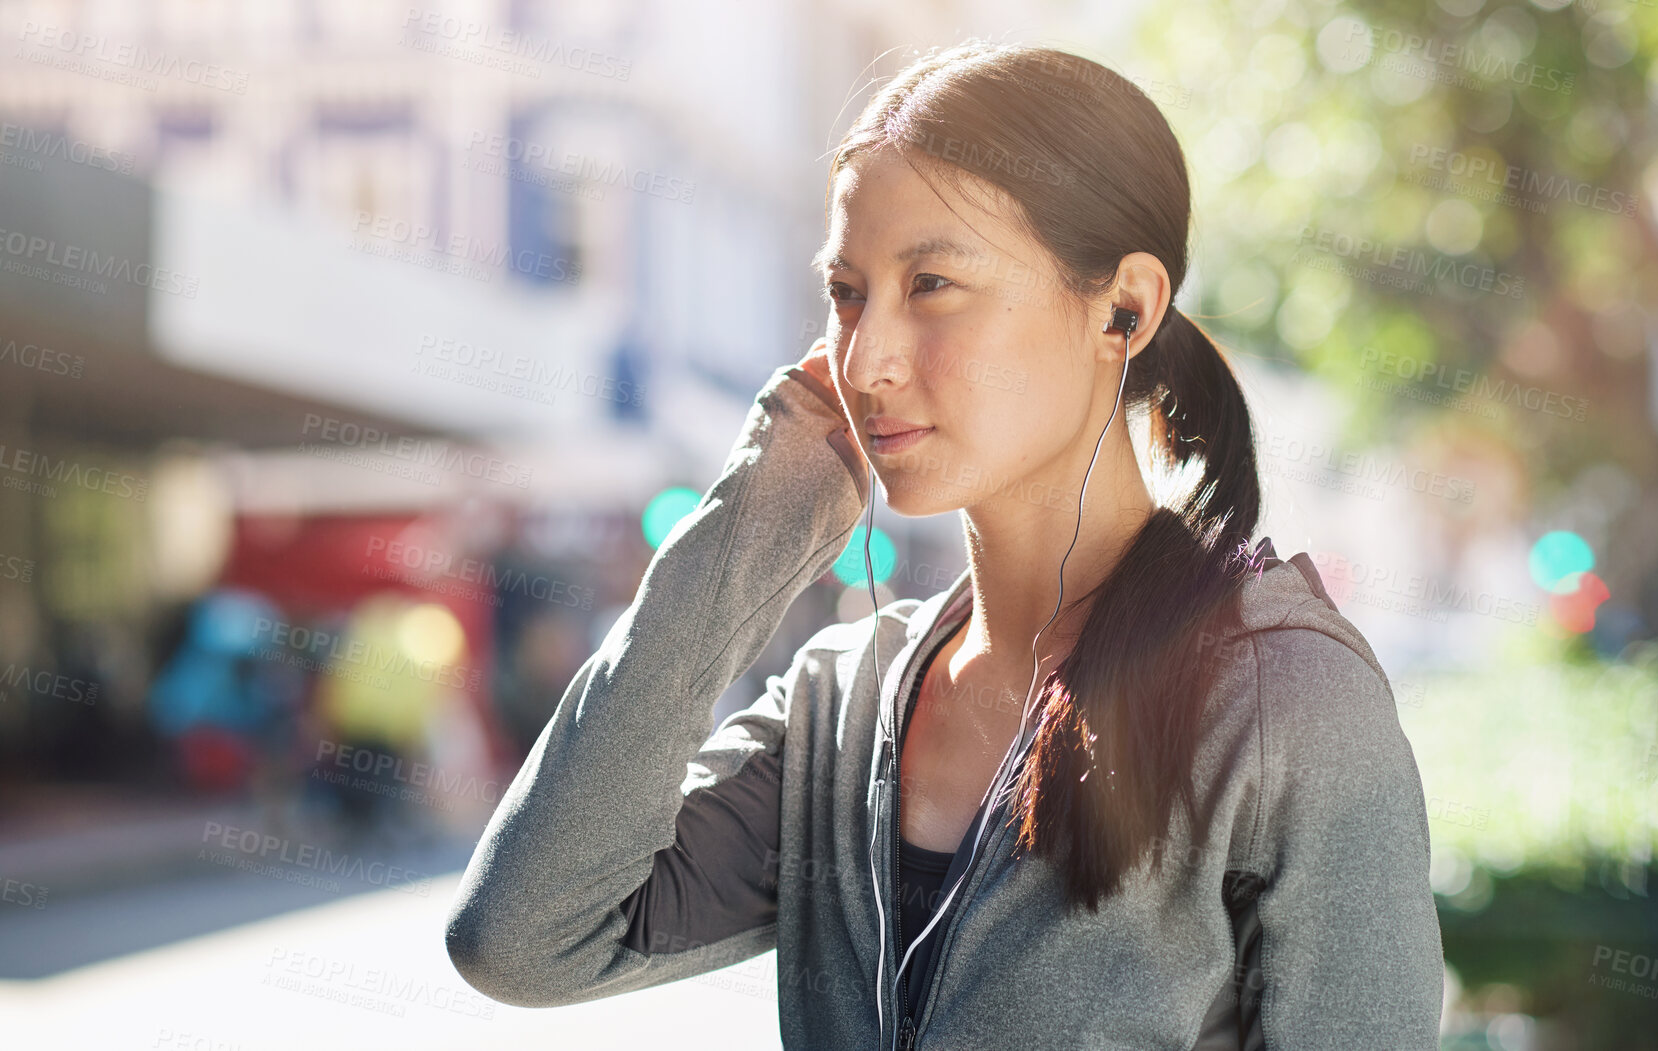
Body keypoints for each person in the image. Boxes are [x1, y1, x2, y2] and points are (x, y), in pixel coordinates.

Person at [445, 40, 1442, 1050]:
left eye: (930, 284)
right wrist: (750, 524)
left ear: (1124, 308)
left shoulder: (1284, 704)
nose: (866, 358)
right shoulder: (839, 705)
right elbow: (521, 939)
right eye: (846, 293)